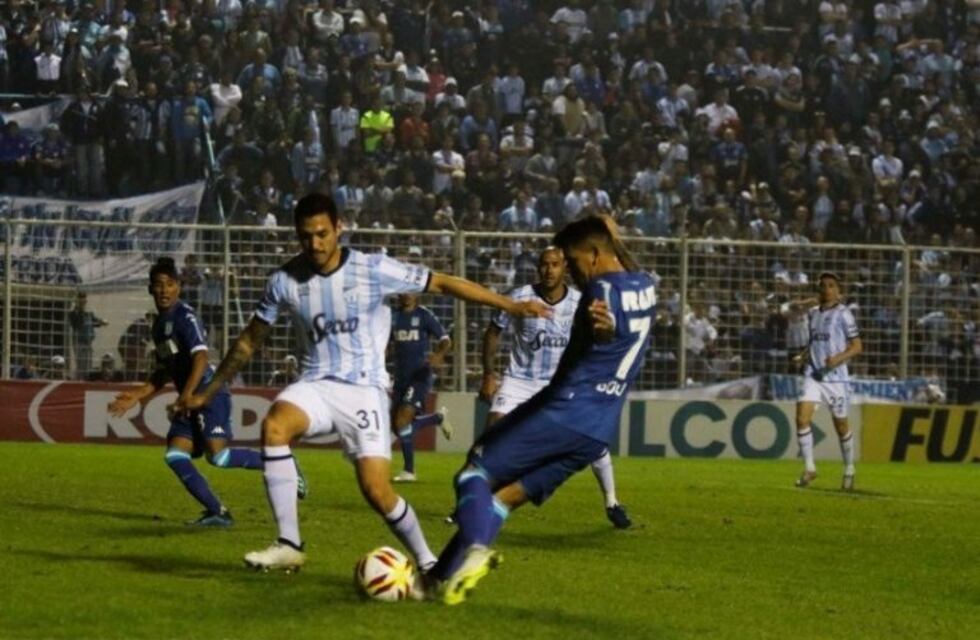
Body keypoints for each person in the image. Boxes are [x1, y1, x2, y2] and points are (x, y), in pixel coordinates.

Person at [174, 193, 549, 572]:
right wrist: (207, 392)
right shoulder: (284, 281)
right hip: (316, 385)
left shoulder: (373, 269)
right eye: (306, 236)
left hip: (364, 390)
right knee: (274, 425)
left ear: (339, 228)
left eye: (322, 234)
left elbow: (443, 283)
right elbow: (249, 340)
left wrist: (511, 306)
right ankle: (289, 542)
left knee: (377, 491)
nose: (315, 244)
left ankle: (429, 560)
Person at [428, 215, 655, 605]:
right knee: (504, 498)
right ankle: (435, 579)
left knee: (472, 474)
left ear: (596, 255)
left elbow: (601, 325)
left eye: (573, 260)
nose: (572, 270)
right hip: (597, 431)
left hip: (564, 409)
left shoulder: (597, 290)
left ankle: (478, 548)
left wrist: (602, 330)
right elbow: (617, 288)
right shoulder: (646, 284)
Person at [108, 258, 283, 527]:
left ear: (178, 287)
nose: (164, 290)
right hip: (188, 398)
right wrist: (137, 395)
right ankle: (218, 513)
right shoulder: (158, 326)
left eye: (169, 284)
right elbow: (166, 370)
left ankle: (283, 464)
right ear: (150, 290)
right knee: (175, 456)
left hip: (208, 394)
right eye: (158, 286)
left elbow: (201, 358)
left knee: (220, 457)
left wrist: (186, 396)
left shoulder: (185, 316)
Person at [479, 246, 631, 528]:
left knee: (591, 441)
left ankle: (612, 501)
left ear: (565, 269)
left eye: (555, 265)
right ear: (538, 267)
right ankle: (473, 503)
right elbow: (493, 332)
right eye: (544, 264)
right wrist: (489, 374)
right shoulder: (519, 296)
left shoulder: (579, 302)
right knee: (492, 437)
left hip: (561, 383)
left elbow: (600, 339)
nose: (549, 270)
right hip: (520, 380)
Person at [791, 272, 862, 491]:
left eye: (831, 286)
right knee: (801, 418)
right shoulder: (813, 314)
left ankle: (849, 468)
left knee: (841, 426)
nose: (826, 289)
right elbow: (814, 342)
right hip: (813, 374)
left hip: (836, 379)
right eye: (823, 286)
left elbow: (857, 346)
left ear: (838, 290)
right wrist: (802, 356)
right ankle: (810, 468)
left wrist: (837, 359)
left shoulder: (844, 315)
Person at [389, 291, 453, 483]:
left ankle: (409, 471)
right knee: (397, 425)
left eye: (411, 291)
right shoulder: (392, 316)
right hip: (400, 377)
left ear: (417, 295)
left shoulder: (424, 315)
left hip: (419, 375)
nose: (407, 295)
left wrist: (439, 354)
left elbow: (445, 340)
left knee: (402, 420)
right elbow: (386, 342)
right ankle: (437, 418)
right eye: (403, 291)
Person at [68, 292, 107, 380]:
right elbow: (77, 323)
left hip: (88, 342)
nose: (83, 302)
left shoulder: (88, 313)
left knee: (88, 364)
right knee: (81, 364)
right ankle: (79, 380)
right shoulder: (74, 313)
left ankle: (86, 378)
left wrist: (101, 322)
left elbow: (95, 321)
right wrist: (79, 309)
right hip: (79, 342)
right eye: (81, 300)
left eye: (84, 300)